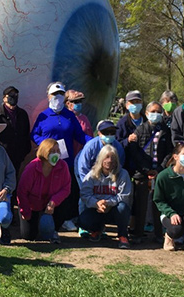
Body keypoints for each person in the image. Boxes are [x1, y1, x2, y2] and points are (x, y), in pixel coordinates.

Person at [31, 82, 91, 232]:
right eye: (54, 94)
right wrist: (45, 144)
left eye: (60, 94)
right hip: (46, 161)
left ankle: (63, 219)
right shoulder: (43, 115)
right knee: (44, 188)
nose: (57, 97)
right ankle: (42, 218)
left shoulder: (69, 116)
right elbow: (34, 134)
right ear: (48, 96)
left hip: (65, 161)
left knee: (64, 191)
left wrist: (96, 141)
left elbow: (79, 136)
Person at [126, 102, 172, 243]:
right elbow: (134, 151)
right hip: (141, 174)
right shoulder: (140, 130)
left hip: (159, 174)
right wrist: (146, 170)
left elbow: (169, 152)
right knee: (140, 205)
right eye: (153, 111)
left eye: (159, 111)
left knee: (158, 205)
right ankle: (138, 234)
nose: (156, 114)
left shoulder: (166, 131)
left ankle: (159, 234)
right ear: (146, 113)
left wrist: (159, 169)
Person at [16, 139, 70, 243]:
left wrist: (54, 201)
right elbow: (22, 191)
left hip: (51, 204)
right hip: (32, 204)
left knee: (65, 205)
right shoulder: (32, 167)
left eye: (57, 151)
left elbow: (66, 188)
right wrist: (25, 211)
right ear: (44, 152)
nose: (56, 154)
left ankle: (54, 229)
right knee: (28, 236)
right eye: (52, 151)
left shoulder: (63, 166)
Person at [79, 144, 132, 248]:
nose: (110, 160)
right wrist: (96, 203)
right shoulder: (92, 175)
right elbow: (85, 194)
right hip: (97, 208)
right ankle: (97, 230)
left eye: (113, 157)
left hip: (114, 209)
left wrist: (108, 203)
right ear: (101, 159)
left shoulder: (123, 174)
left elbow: (124, 196)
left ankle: (122, 235)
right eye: (107, 157)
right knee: (83, 221)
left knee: (123, 208)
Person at [0, 86, 31, 177]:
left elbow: (26, 134)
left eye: (15, 95)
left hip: (17, 156)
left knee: (14, 179)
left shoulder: (22, 114)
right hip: (2, 156)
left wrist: (23, 153)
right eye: (11, 95)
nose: (14, 97)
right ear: (4, 98)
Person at [75, 120, 125, 184]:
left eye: (112, 132)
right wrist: (87, 185)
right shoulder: (90, 146)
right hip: (86, 170)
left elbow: (119, 166)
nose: (109, 134)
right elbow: (82, 168)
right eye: (105, 132)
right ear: (99, 133)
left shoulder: (118, 147)